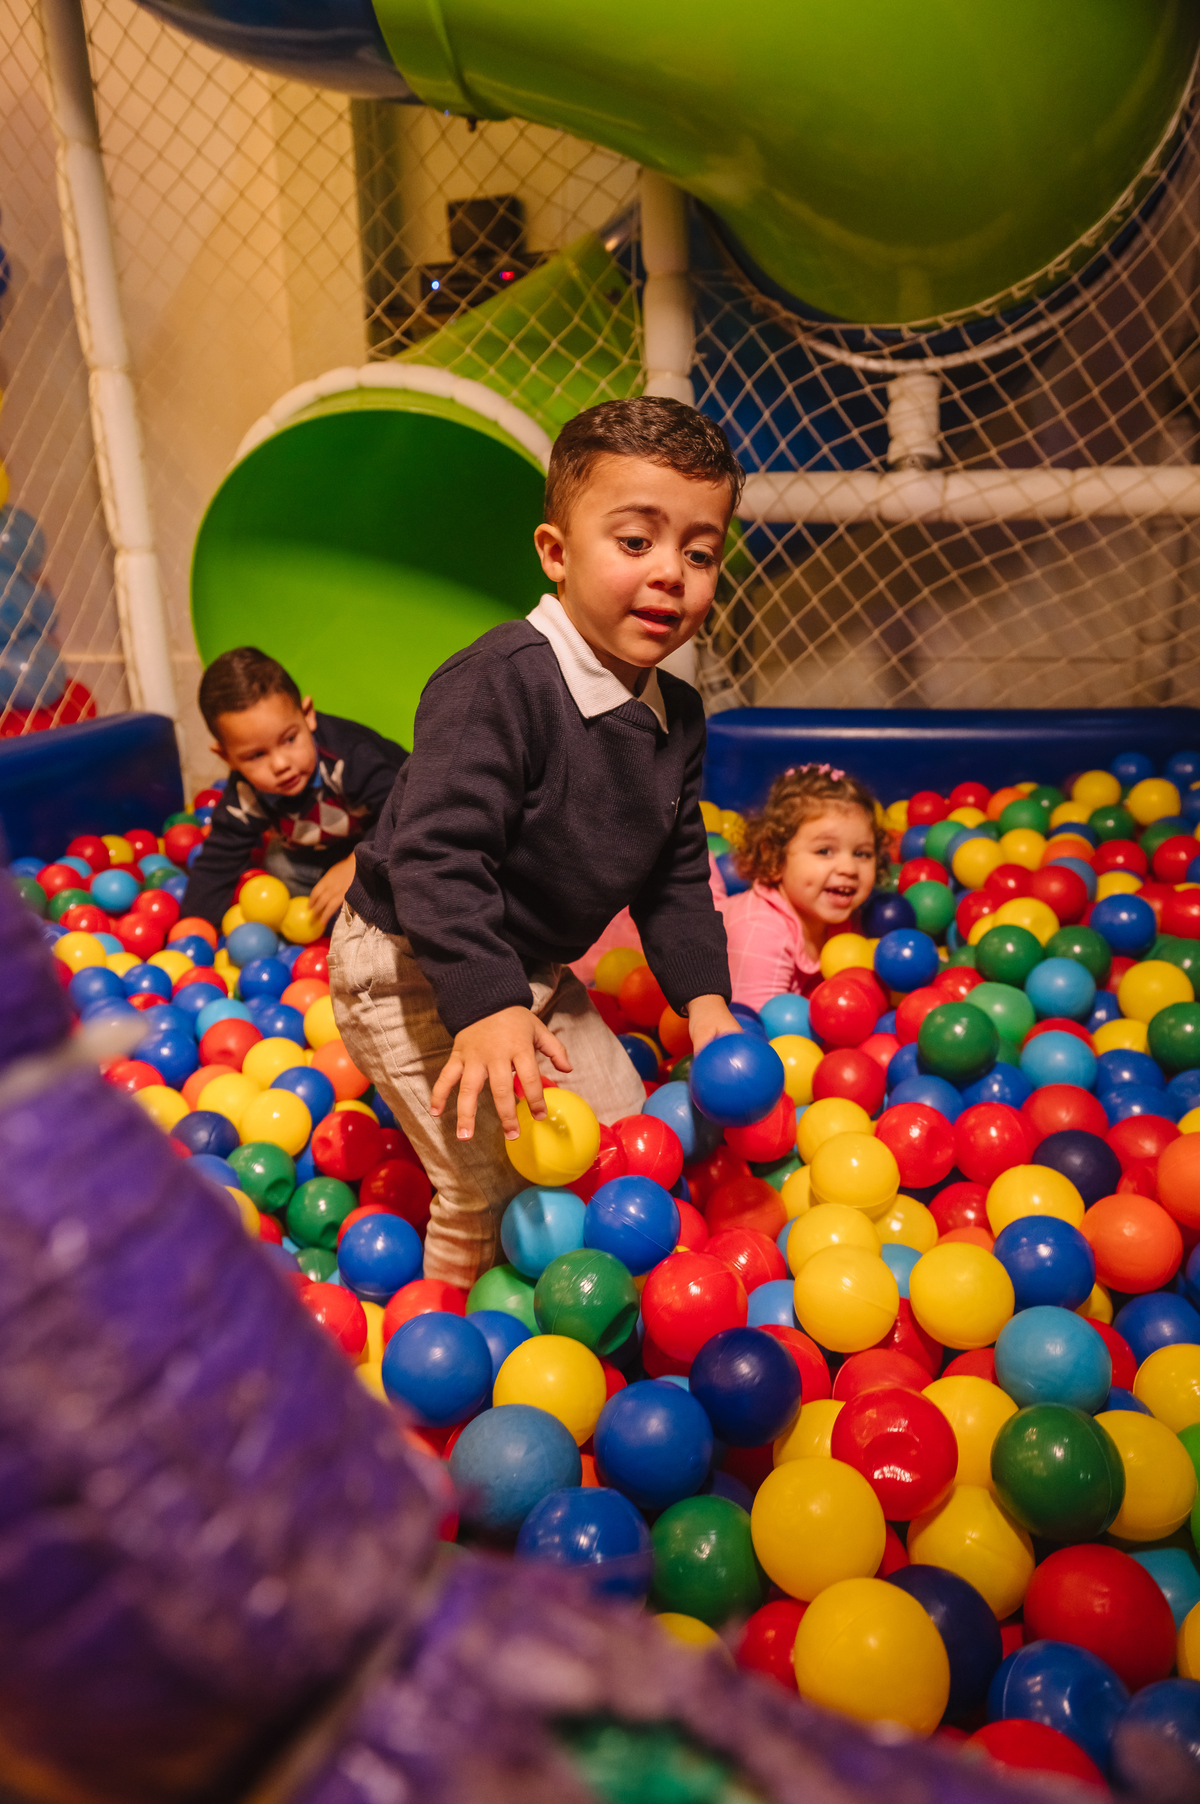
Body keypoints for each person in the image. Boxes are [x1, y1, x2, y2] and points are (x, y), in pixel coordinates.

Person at [332, 396, 743, 1286]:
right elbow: (437, 857)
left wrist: (705, 999)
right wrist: (486, 1007)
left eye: (699, 553)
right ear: (556, 554)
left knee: (622, 1146)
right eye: (635, 541)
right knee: (493, 1191)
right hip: (410, 960)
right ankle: (447, 1340)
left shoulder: (677, 715)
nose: (670, 573)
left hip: (532, 968)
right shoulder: (499, 683)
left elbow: (674, 874)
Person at [181, 647, 407, 930]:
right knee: (278, 866)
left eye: (289, 739)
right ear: (227, 757)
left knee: (411, 872)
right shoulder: (246, 791)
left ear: (307, 715)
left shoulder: (349, 757)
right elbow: (220, 857)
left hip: (393, 836)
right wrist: (194, 926)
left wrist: (359, 864)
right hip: (326, 849)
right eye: (256, 755)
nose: (280, 764)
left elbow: (404, 806)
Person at [720, 764, 886, 1011]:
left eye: (862, 853)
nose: (849, 868)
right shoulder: (761, 933)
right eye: (824, 851)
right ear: (775, 856)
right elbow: (751, 1025)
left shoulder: (846, 919)